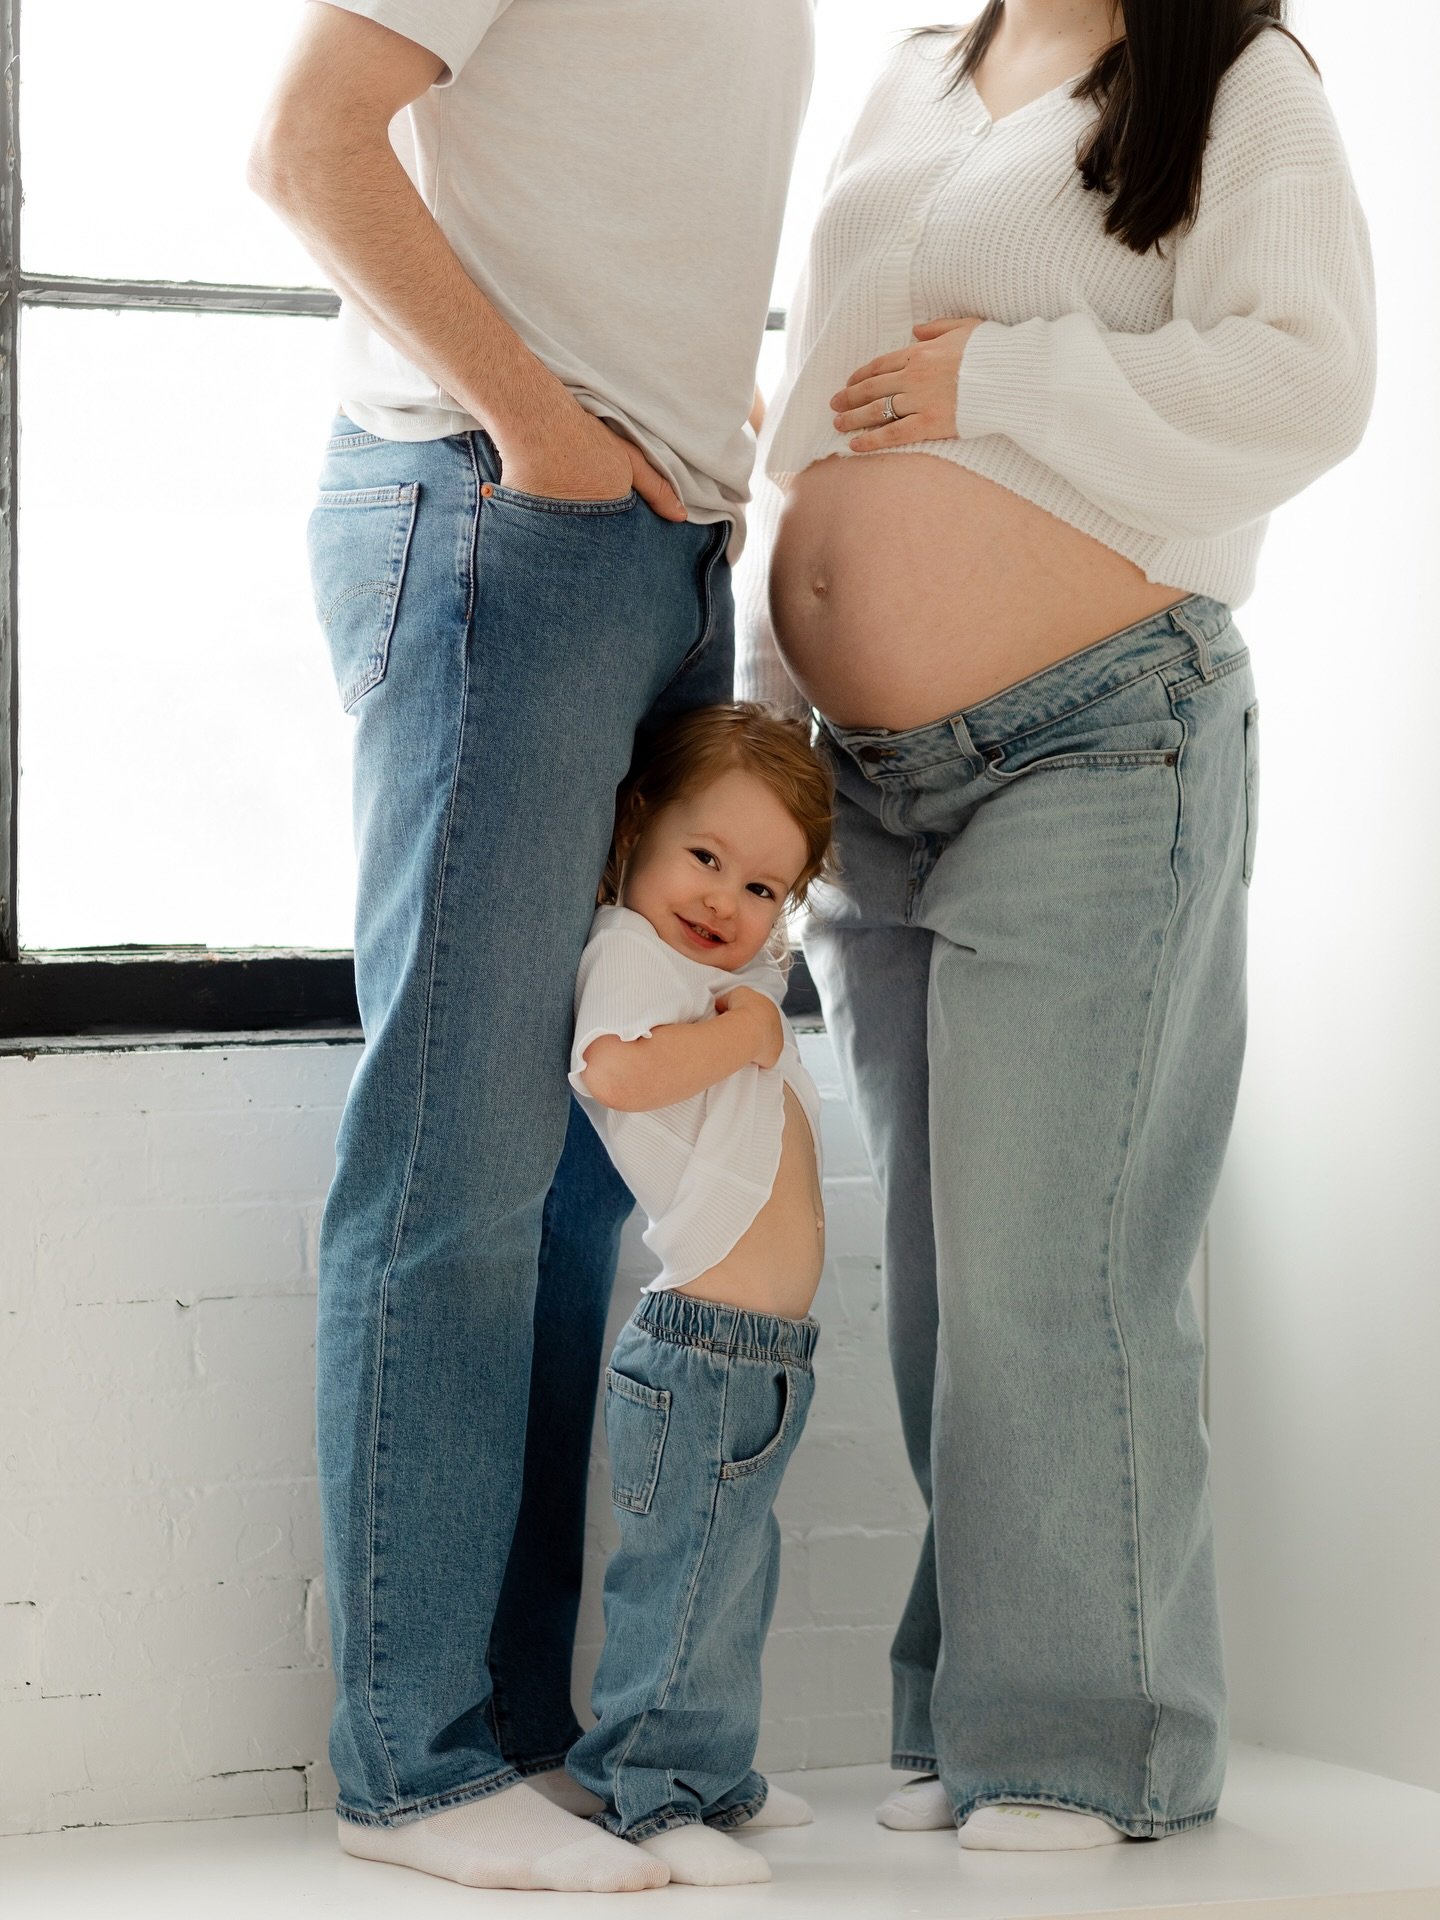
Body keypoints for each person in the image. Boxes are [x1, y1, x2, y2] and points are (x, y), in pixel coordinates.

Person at [741, 0, 1375, 1853]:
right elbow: (815, 410)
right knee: (951, 1284)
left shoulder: (1236, 78)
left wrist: (1006, 384)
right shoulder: (920, 64)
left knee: (1058, 1266)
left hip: (1098, 733)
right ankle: (981, 1717)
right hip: (872, 775)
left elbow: (1307, 381)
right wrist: (780, 705)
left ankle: (1091, 1749)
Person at [248, 0, 814, 1894]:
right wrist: (550, 432)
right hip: (509, 514)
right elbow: (309, 143)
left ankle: (510, 1732)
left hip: (651, 544)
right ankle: (409, 1771)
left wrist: (675, 438)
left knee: (573, 1175)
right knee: (453, 1159)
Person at [561, 702, 836, 1887]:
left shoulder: (723, 977)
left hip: (760, 1351)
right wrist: (749, 1036)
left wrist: (757, 1010)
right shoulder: (630, 947)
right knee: (682, 1582)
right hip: (703, 1347)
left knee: (729, 1576)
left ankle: (710, 1775)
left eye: (766, 888)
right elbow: (612, 1067)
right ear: (636, 833)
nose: (727, 900)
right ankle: (649, 1793)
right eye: (706, 857)